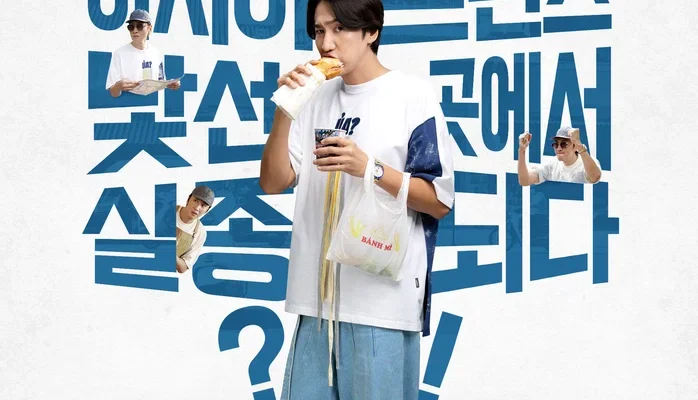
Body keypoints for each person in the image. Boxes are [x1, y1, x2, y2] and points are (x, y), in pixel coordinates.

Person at [259, 0, 455, 398]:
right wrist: (285, 108)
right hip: (316, 303)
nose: (326, 43)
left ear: (371, 31)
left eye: (339, 28)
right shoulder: (314, 96)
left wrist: (370, 168)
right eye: (318, 31)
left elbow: (438, 200)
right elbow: (274, 182)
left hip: (381, 304)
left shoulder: (412, 95)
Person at [105, 9, 180, 98]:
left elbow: (159, 83)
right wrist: (118, 87)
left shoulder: (156, 53)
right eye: (131, 27)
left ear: (149, 28)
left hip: (151, 103)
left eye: (139, 26)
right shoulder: (119, 53)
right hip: (129, 103)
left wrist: (169, 84)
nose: (135, 30)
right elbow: (113, 93)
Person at [518, 126, 602, 186]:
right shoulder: (551, 164)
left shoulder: (587, 162)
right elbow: (525, 181)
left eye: (564, 144)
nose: (559, 148)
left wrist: (581, 148)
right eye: (556, 144)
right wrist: (522, 150)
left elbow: (595, 177)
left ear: (575, 146)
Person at [176, 186, 214, 274]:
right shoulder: (166, 211)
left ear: (207, 210)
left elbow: (183, 268)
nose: (197, 207)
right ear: (188, 200)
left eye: (203, 205)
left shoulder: (200, 232)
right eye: (195, 200)